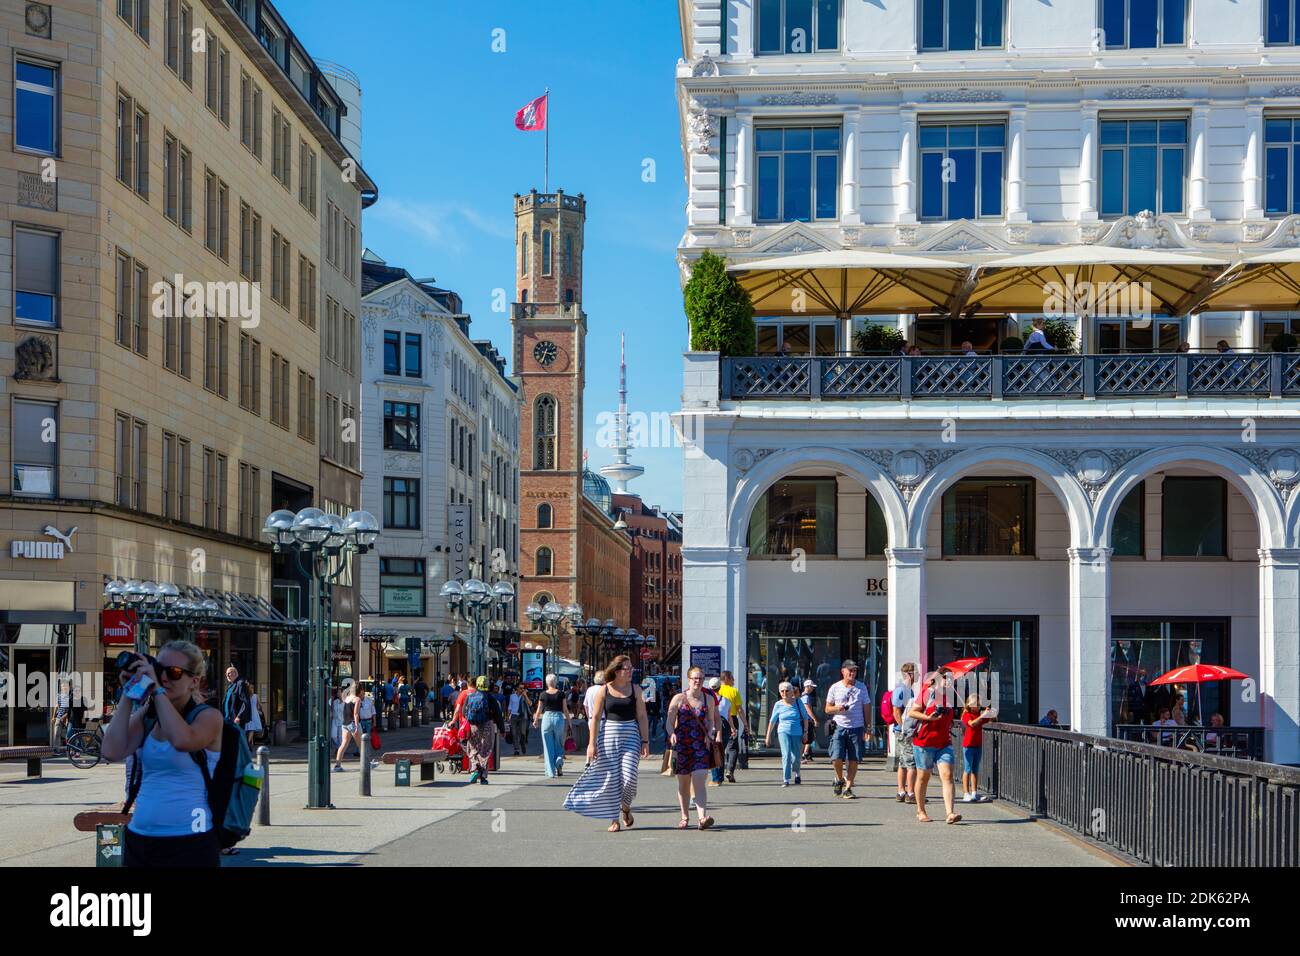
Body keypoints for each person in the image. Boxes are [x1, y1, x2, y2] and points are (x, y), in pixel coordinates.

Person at [101, 641, 225, 867]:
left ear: (194, 681)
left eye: (174, 673)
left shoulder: (209, 717)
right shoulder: (149, 716)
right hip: (139, 839)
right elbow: (111, 751)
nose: (164, 678)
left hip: (190, 841)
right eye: (160, 670)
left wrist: (156, 690)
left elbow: (183, 740)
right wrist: (130, 692)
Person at [563, 655, 650, 832]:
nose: (631, 671)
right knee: (611, 779)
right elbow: (594, 717)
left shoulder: (636, 690)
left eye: (631, 668)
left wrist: (645, 740)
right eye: (627, 668)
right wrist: (591, 744)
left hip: (631, 734)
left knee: (629, 776)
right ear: (617, 671)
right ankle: (614, 818)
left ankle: (625, 807)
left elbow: (642, 716)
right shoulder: (604, 690)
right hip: (609, 734)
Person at [666, 666, 719, 829]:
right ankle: (684, 816)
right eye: (695, 678)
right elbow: (669, 720)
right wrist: (671, 733)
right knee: (683, 783)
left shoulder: (708, 698)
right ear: (688, 680)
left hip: (700, 745)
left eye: (701, 678)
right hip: (681, 744)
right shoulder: (678, 699)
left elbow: (711, 720)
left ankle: (702, 817)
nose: (698, 681)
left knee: (699, 779)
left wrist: (709, 733)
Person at [909, 668, 960, 825]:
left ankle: (950, 813)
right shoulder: (928, 693)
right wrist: (928, 718)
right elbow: (912, 712)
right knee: (923, 778)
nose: (949, 681)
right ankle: (921, 810)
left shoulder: (950, 697)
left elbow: (948, 718)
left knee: (947, 775)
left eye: (951, 678)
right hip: (924, 742)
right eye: (946, 677)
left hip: (944, 742)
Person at [824, 659, 873, 799]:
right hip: (839, 726)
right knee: (836, 757)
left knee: (854, 759)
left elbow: (867, 707)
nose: (853, 673)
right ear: (843, 671)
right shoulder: (835, 687)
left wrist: (868, 727)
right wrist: (836, 708)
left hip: (856, 727)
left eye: (855, 670)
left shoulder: (861, 687)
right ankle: (839, 779)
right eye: (850, 670)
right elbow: (827, 709)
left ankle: (848, 788)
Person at [462, 676, 504, 784]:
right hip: (487, 725)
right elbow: (498, 715)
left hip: (473, 726)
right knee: (485, 749)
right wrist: (502, 729)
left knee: (472, 747)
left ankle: (475, 767)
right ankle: (483, 777)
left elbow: (463, 712)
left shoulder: (470, 696)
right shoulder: (491, 698)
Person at [764, 681, 805, 787]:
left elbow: (805, 718)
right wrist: (768, 736)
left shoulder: (798, 702)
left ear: (792, 692)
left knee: (796, 757)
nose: (784, 693)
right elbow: (772, 721)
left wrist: (805, 732)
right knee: (786, 754)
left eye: (787, 691)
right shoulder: (778, 704)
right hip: (783, 731)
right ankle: (786, 779)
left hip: (797, 732)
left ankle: (797, 773)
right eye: (782, 691)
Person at [533, 674, 572, 777]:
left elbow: (539, 709)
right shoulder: (561, 694)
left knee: (547, 745)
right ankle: (559, 758)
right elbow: (565, 709)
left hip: (546, 718)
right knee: (559, 742)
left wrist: (536, 720)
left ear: (546, 683)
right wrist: (569, 721)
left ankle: (550, 772)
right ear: (555, 682)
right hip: (558, 718)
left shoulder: (543, 695)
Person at [960, 694, 996, 803]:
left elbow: (992, 719)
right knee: (967, 769)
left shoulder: (978, 714)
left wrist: (991, 713)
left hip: (977, 745)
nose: (979, 706)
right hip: (968, 745)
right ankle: (966, 793)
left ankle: (974, 793)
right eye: (977, 704)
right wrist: (982, 715)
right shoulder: (967, 715)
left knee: (975, 770)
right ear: (971, 705)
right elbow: (972, 724)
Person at [891, 663, 918, 804]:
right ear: (909, 674)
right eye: (916, 672)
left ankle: (901, 792)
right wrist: (903, 728)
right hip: (903, 731)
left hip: (903, 730)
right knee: (911, 762)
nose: (918, 674)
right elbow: (896, 710)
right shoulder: (901, 690)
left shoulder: (909, 690)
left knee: (903, 762)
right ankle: (911, 793)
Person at [716, 670, 748, 783]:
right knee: (733, 747)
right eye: (732, 678)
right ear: (726, 679)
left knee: (719, 747)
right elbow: (739, 709)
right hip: (732, 719)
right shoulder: (733, 691)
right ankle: (729, 771)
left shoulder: (717, 690)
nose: (733, 680)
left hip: (718, 720)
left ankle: (718, 773)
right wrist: (745, 723)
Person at [334, 681, 361, 771]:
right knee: (362, 745)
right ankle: (367, 763)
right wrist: (357, 726)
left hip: (345, 724)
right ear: (359, 690)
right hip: (353, 724)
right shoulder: (357, 699)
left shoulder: (346, 698)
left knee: (343, 745)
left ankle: (337, 765)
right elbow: (356, 714)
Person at [222, 665, 250, 731]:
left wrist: (239, 717)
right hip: (227, 718)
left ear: (235, 673)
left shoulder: (240, 684)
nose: (227, 675)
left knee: (236, 739)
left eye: (229, 673)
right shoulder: (230, 686)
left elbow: (245, 702)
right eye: (226, 674)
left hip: (236, 719)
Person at [508, 682, 532, 756]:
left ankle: (522, 744)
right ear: (517, 688)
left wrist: (525, 696)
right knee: (514, 734)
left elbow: (530, 704)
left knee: (523, 733)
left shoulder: (525, 696)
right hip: (514, 716)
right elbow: (510, 707)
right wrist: (508, 717)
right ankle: (516, 749)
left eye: (523, 688)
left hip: (522, 716)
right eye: (521, 688)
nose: (522, 690)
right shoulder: (512, 696)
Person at [800, 679, 818, 763]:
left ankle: (805, 753)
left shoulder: (804, 696)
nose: (812, 689)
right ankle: (803, 754)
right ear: (807, 687)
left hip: (806, 719)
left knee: (809, 737)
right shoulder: (805, 697)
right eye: (811, 687)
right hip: (806, 720)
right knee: (808, 737)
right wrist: (814, 719)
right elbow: (807, 709)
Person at [244, 680, 263, 747]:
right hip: (254, 713)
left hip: (248, 712)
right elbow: (260, 705)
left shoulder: (246, 696)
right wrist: (259, 708)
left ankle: (251, 742)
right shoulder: (256, 696)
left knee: (249, 727)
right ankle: (249, 742)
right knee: (252, 728)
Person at [641, 674, 660, 739]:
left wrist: (658, 711)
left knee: (654, 725)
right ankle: (645, 737)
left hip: (655, 712)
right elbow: (645, 702)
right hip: (649, 711)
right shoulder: (647, 692)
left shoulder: (657, 693)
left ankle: (653, 736)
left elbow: (659, 702)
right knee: (647, 725)